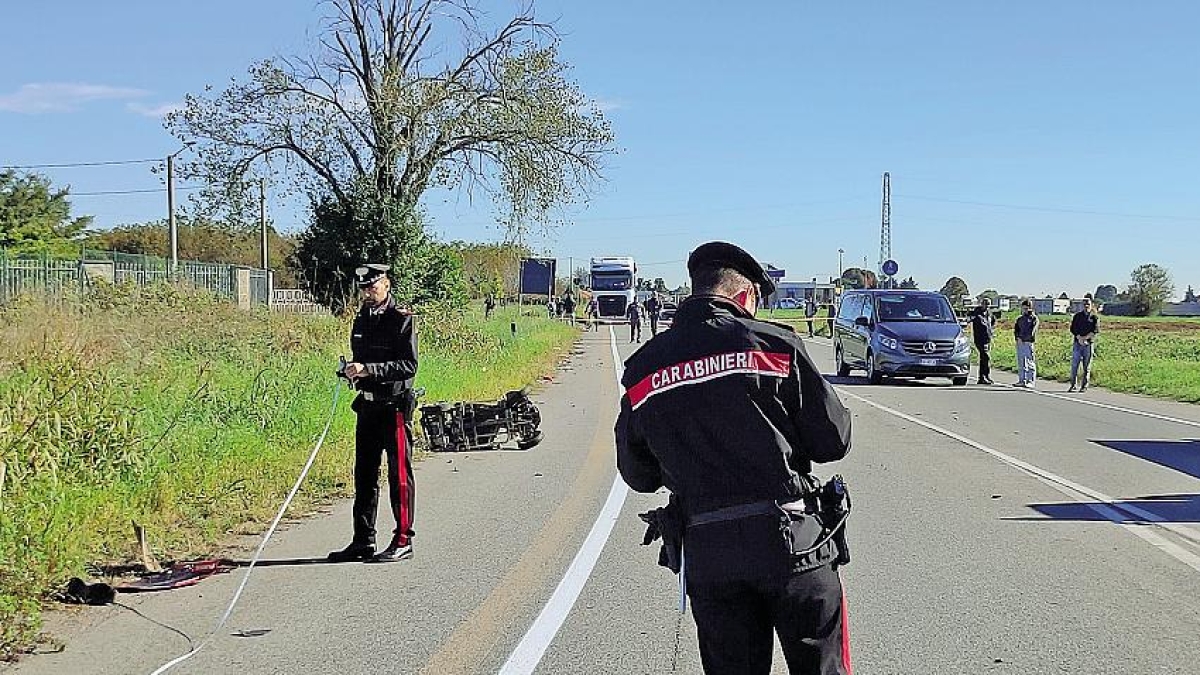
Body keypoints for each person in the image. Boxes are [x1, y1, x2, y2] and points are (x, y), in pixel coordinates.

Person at [616, 241, 853, 675]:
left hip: (710, 552)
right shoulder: (776, 346)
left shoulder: (643, 368)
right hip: (794, 547)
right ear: (745, 296)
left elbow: (638, 474)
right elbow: (832, 441)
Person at [329, 264, 418, 563]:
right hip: (367, 406)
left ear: (387, 284)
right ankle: (363, 540)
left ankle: (403, 539)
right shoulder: (361, 320)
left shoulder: (401, 320)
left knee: (399, 476)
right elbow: (361, 361)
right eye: (364, 287)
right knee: (364, 476)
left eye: (374, 285)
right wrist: (352, 372)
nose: (369, 291)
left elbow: (408, 366)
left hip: (393, 407)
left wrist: (370, 369)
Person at [1069, 296, 1100, 392]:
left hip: (1088, 344)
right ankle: (1073, 385)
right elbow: (1073, 328)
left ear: (1091, 305)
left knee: (1087, 366)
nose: (1086, 306)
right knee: (1075, 365)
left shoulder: (1094, 317)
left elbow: (1095, 330)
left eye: (1088, 304)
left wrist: (1085, 338)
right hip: (1077, 343)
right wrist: (1079, 338)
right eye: (1084, 304)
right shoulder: (1077, 316)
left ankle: (1084, 386)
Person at [1012, 299, 1038, 388]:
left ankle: (1030, 381)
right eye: (1023, 308)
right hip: (1020, 342)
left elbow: (1032, 331)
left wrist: (1024, 338)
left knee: (1030, 361)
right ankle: (1021, 380)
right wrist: (1017, 338)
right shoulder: (1020, 319)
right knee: (1021, 362)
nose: (1025, 310)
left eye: (1027, 308)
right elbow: (1016, 330)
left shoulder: (1034, 318)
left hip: (1028, 342)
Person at [970, 298, 996, 385]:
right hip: (980, 338)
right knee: (985, 356)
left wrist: (991, 330)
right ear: (982, 304)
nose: (987, 306)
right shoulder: (977, 313)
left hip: (987, 338)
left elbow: (992, 321)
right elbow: (979, 323)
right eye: (986, 304)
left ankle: (986, 376)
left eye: (988, 305)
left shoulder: (989, 313)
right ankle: (982, 377)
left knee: (985, 358)